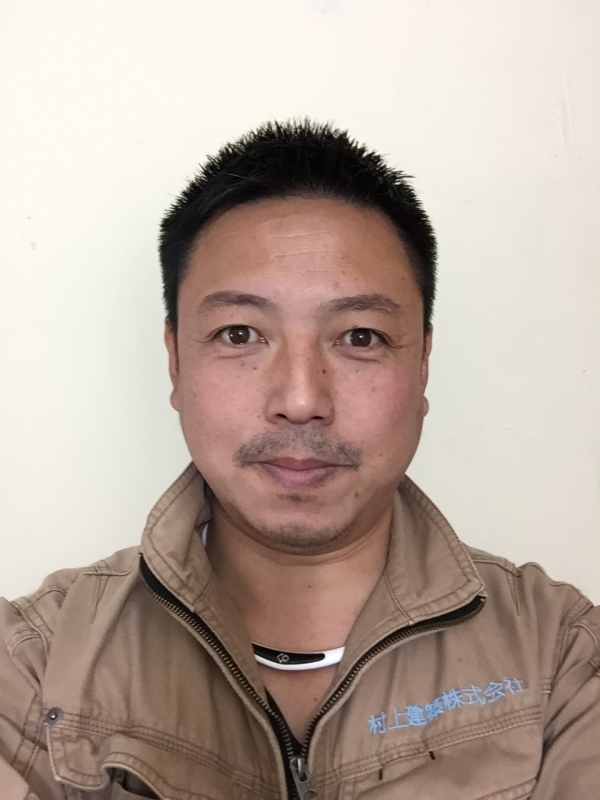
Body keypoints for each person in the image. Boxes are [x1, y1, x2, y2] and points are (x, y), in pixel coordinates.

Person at [1, 120, 598, 800]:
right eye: (239, 333)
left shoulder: (561, 659)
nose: (301, 400)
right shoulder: (36, 663)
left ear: (423, 364)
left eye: (360, 337)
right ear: (175, 362)